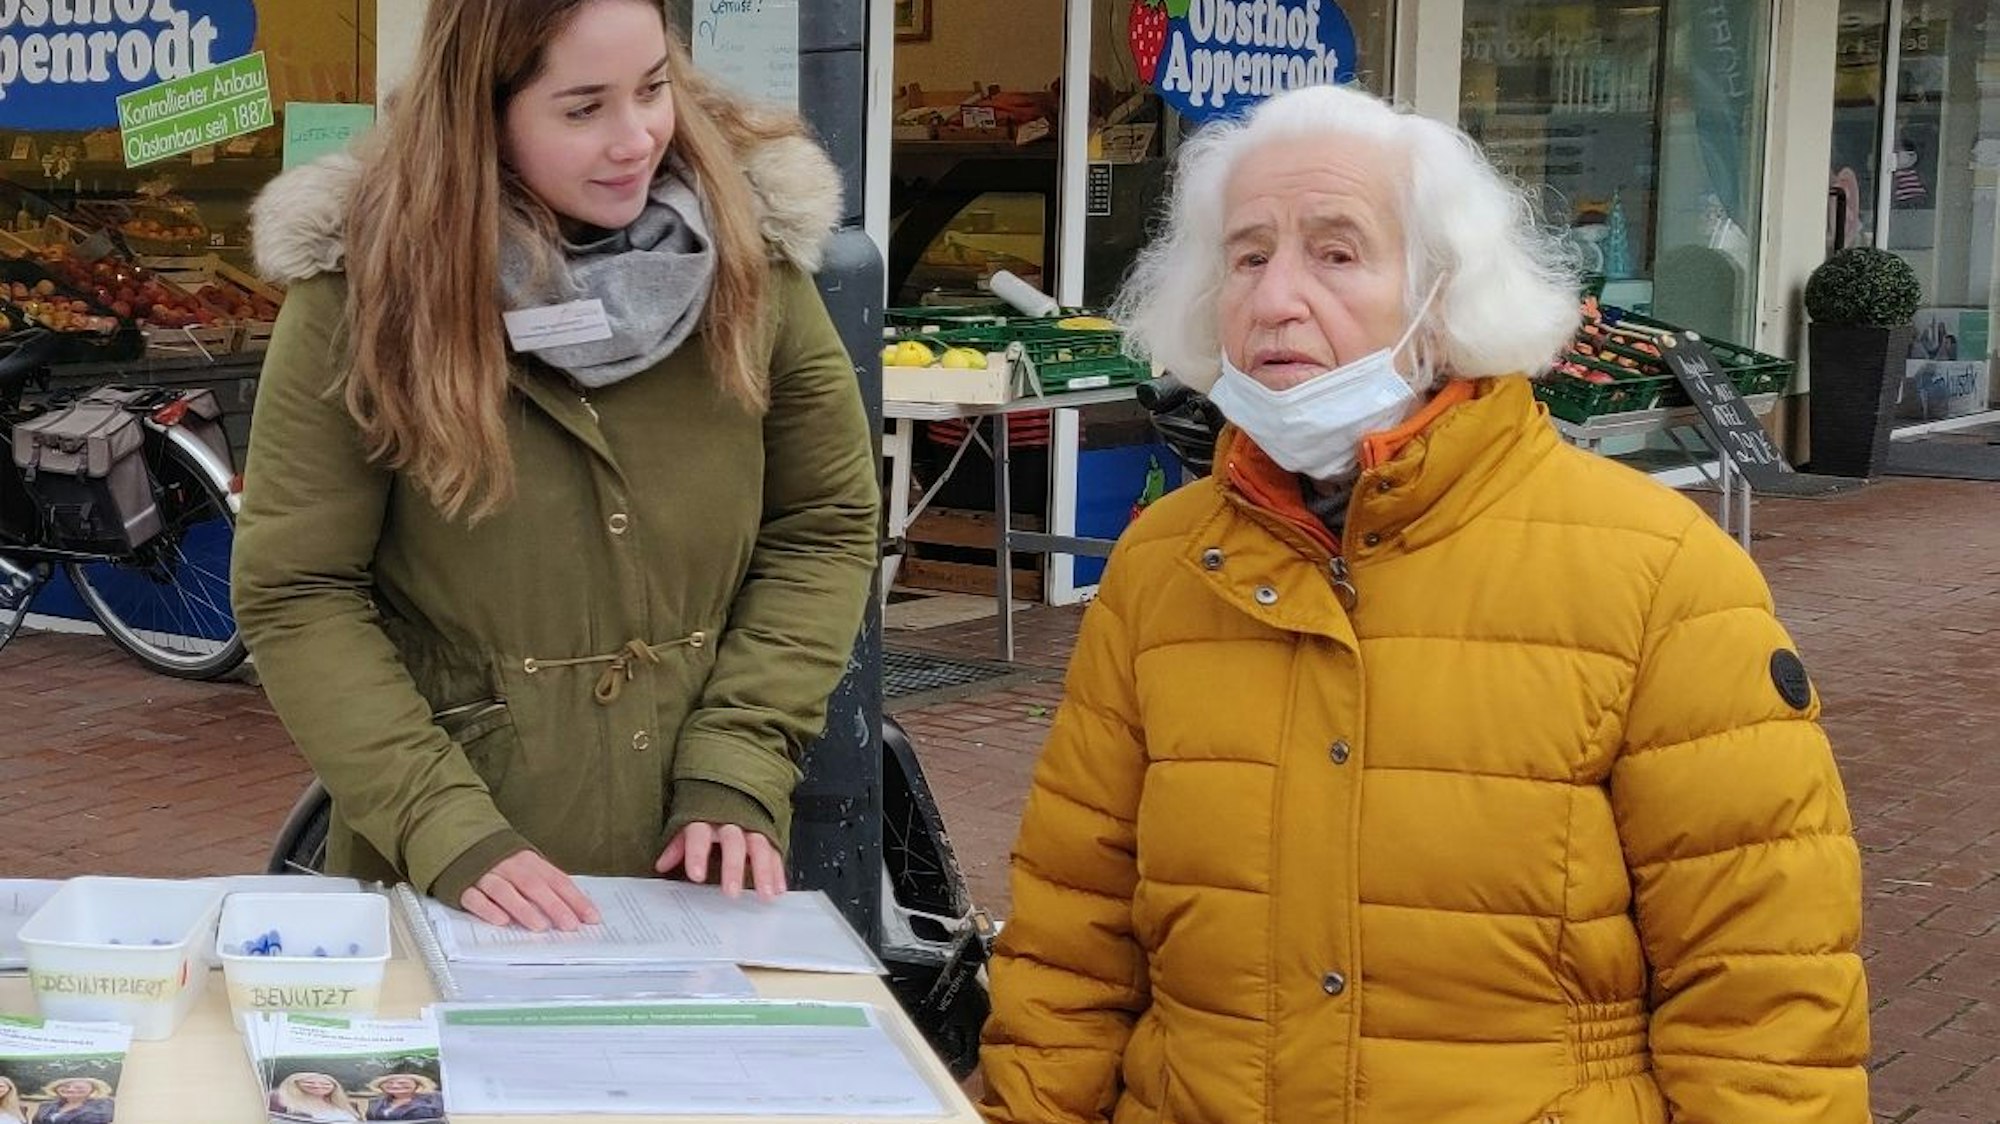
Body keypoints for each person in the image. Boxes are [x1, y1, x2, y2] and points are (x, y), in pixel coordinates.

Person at [978, 83, 1869, 1123]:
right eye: (1248, 257)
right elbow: (1071, 940)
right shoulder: (1158, 567)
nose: (1275, 299)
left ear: (1446, 302)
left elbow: (1763, 999)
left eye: (1336, 253)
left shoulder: (1661, 573)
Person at [232, 0, 878, 930]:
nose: (636, 138)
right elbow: (298, 589)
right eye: (583, 108)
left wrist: (740, 759)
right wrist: (442, 824)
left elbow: (823, 526)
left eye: (653, 89)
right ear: (482, 112)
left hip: (703, 870)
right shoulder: (362, 291)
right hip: (452, 881)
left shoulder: (750, 254)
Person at [269, 1073, 361, 1123]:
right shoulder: (284, 1104)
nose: (317, 1086)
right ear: (295, 1084)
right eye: (309, 1083)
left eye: (326, 1084)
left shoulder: (343, 1105)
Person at [361, 1074, 444, 1121]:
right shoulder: (375, 1103)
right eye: (390, 1083)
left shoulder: (433, 1102)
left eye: (403, 1083)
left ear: (417, 1085)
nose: (395, 1086)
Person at [28, 1079, 112, 1124]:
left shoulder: (101, 1109)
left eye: (79, 1087)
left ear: (93, 1089)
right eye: (66, 1086)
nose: (71, 1089)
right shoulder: (45, 1106)